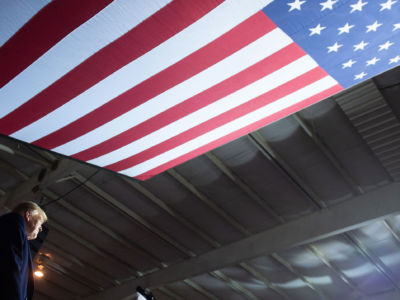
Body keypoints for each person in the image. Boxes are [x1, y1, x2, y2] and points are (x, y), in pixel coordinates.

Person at [0, 201, 47, 300]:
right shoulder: (12, 224)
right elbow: (10, 265)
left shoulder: (14, 229)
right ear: (28, 215)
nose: (41, 229)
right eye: (40, 222)